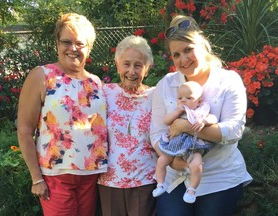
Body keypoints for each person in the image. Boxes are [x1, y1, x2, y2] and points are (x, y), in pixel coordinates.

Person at [150, 15, 252, 216]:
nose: (183, 59)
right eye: (176, 54)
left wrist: (186, 127)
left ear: (202, 45)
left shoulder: (228, 81)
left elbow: (234, 131)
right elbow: (156, 133)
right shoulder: (166, 85)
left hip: (218, 176)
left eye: (188, 50)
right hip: (174, 175)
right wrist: (171, 160)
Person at [17, 13, 108, 216]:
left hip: (90, 176)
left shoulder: (96, 82)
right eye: (66, 42)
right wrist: (36, 178)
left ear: (89, 47)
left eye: (79, 43)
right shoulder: (41, 76)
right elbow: (24, 130)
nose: (73, 49)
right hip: (54, 177)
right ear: (57, 44)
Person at [98, 35, 158, 216]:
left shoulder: (155, 96)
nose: (131, 71)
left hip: (145, 180)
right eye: (127, 64)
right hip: (109, 180)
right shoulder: (105, 93)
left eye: (138, 65)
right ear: (117, 65)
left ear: (146, 69)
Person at [152, 81, 217, 204]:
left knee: (197, 165)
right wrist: (176, 112)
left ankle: (191, 190)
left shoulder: (201, 111)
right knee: (161, 160)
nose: (183, 100)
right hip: (175, 143)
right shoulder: (176, 111)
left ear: (199, 101)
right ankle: (160, 184)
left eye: (189, 98)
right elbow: (166, 121)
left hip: (193, 145)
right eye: (180, 98)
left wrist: (204, 121)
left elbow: (213, 118)